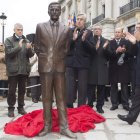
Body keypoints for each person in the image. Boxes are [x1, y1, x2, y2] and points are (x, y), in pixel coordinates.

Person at [34, 2, 76, 138]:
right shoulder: (40, 27)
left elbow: (66, 48)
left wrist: (58, 58)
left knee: (61, 98)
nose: (54, 11)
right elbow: (37, 46)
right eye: (52, 9)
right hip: (45, 66)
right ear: (48, 11)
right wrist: (46, 57)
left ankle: (64, 127)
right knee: (46, 98)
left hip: (60, 67)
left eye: (57, 9)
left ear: (60, 12)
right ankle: (47, 126)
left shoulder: (66, 29)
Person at [5, 23, 34, 117]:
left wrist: (29, 49)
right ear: (14, 30)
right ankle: (11, 108)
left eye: (21, 29)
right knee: (12, 91)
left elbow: (31, 55)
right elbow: (8, 53)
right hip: (13, 70)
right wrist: (19, 47)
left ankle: (21, 107)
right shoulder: (9, 40)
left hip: (24, 70)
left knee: (22, 90)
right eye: (18, 29)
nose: (20, 31)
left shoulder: (26, 40)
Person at [65, 13, 95, 108]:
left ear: (84, 21)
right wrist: (73, 40)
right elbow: (65, 46)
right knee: (69, 85)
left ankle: (81, 106)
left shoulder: (89, 32)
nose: (78, 21)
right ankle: (69, 105)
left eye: (81, 19)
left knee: (82, 86)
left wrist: (84, 40)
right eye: (77, 19)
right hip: (71, 62)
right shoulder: (70, 31)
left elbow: (92, 49)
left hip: (83, 63)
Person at [118, 23, 140, 125]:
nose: (136, 31)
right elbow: (133, 54)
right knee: (136, 97)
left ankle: (131, 117)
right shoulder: (136, 43)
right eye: (136, 28)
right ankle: (131, 117)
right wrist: (134, 43)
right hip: (137, 75)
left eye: (139, 28)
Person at [87, 24, 109, 113]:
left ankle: (100, 106)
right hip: (91, 68)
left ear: (101, 30)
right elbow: (87, 54)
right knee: (91, 89)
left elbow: (110, 55)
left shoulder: (106, 41)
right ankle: (90, 105)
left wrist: (104, 49)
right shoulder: (89, 40)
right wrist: (94, 48)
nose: (96, 30)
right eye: (95, 29)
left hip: (102, 68)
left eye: (98, 29)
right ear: (93, 31)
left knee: (101, 89)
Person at [108, 27, 132, 111]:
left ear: (122, 33)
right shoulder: (110, 42)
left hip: (124, 68)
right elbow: (108, 55)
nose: (117, 33)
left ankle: (125, 104)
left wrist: (125, 51)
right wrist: (116, 51)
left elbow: (130, 54)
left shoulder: (127, 42)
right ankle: (114, 104)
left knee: (124, 86)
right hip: (113, 68)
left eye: (119, 32)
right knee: (113, 87)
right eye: (116, 32)